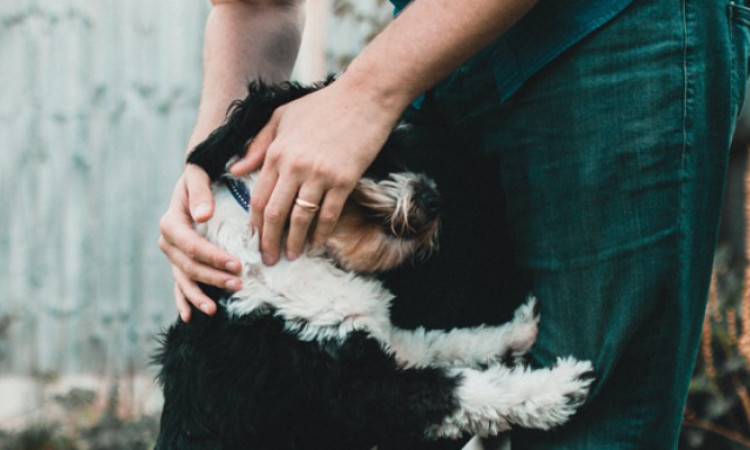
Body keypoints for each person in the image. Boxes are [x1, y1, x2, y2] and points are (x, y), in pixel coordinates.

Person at [158, 0, 749, 448]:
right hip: (432, 65)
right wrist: (209, 177)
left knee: (590, 417)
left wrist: (367, 94)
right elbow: (255, 5)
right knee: (389, 403)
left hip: (609, 32)